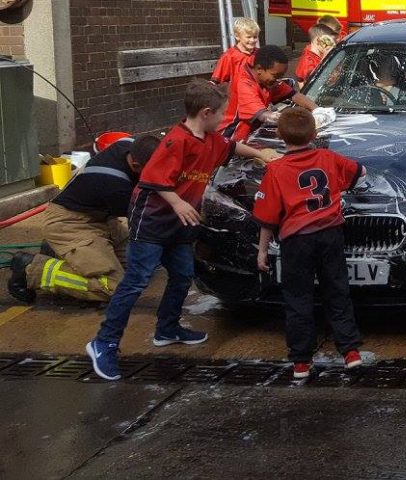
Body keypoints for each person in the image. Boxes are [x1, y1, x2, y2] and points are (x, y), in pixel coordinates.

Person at [86, 80, 280, 381]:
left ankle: (167, 328)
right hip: (152, 222)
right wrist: (177, 203)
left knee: (182, 274)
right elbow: (153, 179)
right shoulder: (176, 141)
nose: (224, 118)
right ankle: (104, 342)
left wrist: (262, 154)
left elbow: (231, 147)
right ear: (206, 113)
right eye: (222, 113)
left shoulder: (211, 139)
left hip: (180, 224)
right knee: (136, 281)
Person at [254, 107, 366, 379]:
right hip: (330, 234)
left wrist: (262, 251)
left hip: (296, 240)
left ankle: (301, 362)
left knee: (298, 298)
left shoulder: (276, 170)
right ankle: (350, 352)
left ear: (280, 136)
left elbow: (267, 217)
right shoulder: (327, 157)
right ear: (314, 134)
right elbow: (359, 172)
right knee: (337, 291)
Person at [8, 135, 160, 304]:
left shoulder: (130, 144)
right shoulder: (115, 185)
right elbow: (145, 222)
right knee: (113, 286)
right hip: (70, 224)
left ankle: (60, 252)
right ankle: (31, 268)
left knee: (140, 270)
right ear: (136, 165)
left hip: (100, 217)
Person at [219, 44, 318, 142]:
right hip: (229, 138)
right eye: (275, 75)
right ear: (259, 69)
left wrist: (318, 110)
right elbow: (264, 115)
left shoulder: (267, 79)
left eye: (281, 76)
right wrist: (299, 122)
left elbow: (293, 95)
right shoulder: (244, 83)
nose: (278, 80)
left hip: (249, 137)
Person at [211, 17, 259, 84]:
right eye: (248, 37)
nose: (252, 40)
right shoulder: (229, 56)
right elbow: (216, 82)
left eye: (255, 37)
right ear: (237, 36)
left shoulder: (260, 54)